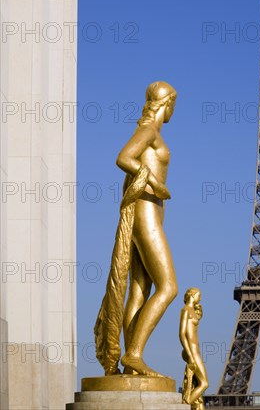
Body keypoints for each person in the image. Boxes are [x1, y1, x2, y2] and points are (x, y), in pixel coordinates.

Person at [94, 81, 178, 377]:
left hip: (150, 214)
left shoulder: (151, 132)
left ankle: (130, 364)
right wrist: (155, 183)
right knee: (168, 287)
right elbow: (123, 157)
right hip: (146, 215)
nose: (172, 111)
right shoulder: (149, 132)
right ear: (166, 103)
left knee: (140, 291)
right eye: (172, 105)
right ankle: (134, 354)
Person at [180, 288, 209, 409]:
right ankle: (184, 405)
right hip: (192, 351)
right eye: (199, 295)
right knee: (204, 383)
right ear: (192, 295)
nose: (200, 298)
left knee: (199, 384)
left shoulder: (192, 310)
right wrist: (190, 355)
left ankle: (190, 403)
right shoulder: (185, 310)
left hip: (195, 351)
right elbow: (182, 334)